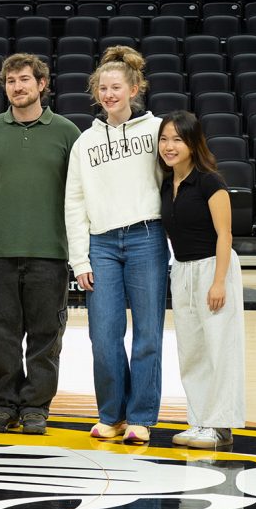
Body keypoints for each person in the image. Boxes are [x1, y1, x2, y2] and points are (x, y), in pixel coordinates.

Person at [0, 54, 81, 435]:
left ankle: (36, 406)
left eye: (24, 80)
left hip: (50, 251)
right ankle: (4, 404)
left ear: (42, 84)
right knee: (0, 331)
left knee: (45, 333)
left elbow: (78, 193)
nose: (17, 87)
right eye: (11, 81)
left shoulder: (67, 133)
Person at [65, 46, 169, 444]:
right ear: (96, 93)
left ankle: (142, 416)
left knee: (147, 335)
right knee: (103, 336)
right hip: (102, 244)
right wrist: (80, 259)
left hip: (147, 237)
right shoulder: (84, 143)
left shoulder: (157, 130)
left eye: (116, 87)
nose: (109, 94)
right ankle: (112, 414)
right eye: (103, 88)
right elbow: (73, 201)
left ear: (134, 88)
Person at [157, 111, 245, 449]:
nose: (169, 146)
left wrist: (219, 281)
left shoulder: (211, 181)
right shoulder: (167, 183)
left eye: (177, 139)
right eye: (164, 139)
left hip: (214, 267)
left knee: (220, 349)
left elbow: (226, 233)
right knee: (191, 351)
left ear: (193, 143)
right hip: (182, 269)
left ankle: (220, 425)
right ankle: (199, 420)